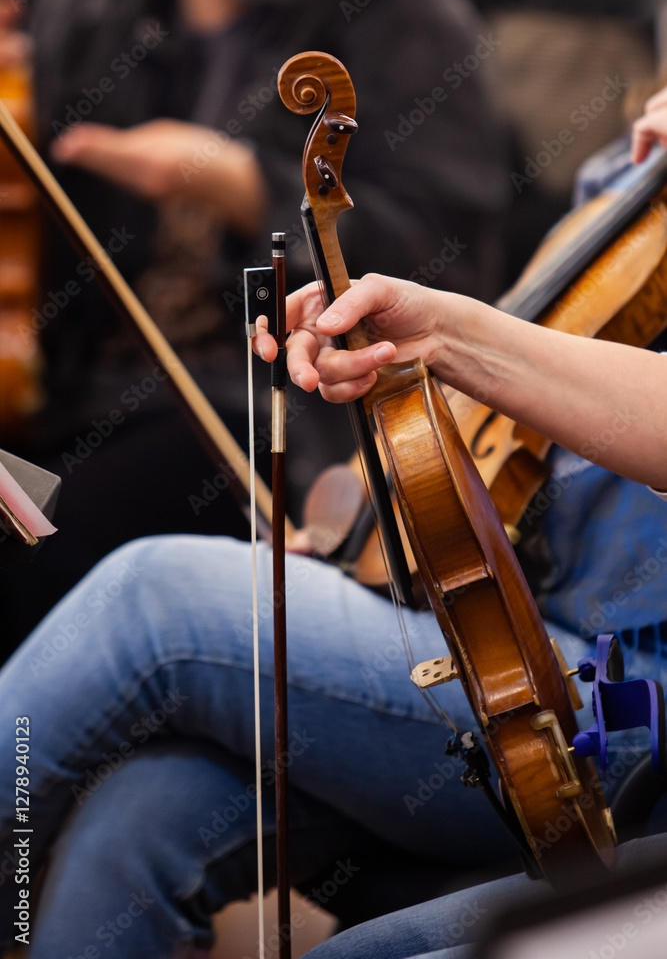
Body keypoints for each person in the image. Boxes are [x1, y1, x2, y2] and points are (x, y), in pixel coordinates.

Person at [1, 89, 667, 959]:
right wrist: (365, 542)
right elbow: (518, 437)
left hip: (621, 698)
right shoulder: (629, 183)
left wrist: (452, 335)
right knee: (141, 815)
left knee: (152, 596)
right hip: (503, 621)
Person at [0, 0, 510, 659]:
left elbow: (445, 261)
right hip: (72, 390)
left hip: (274, 408)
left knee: (41, 545)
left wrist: (240, 185)